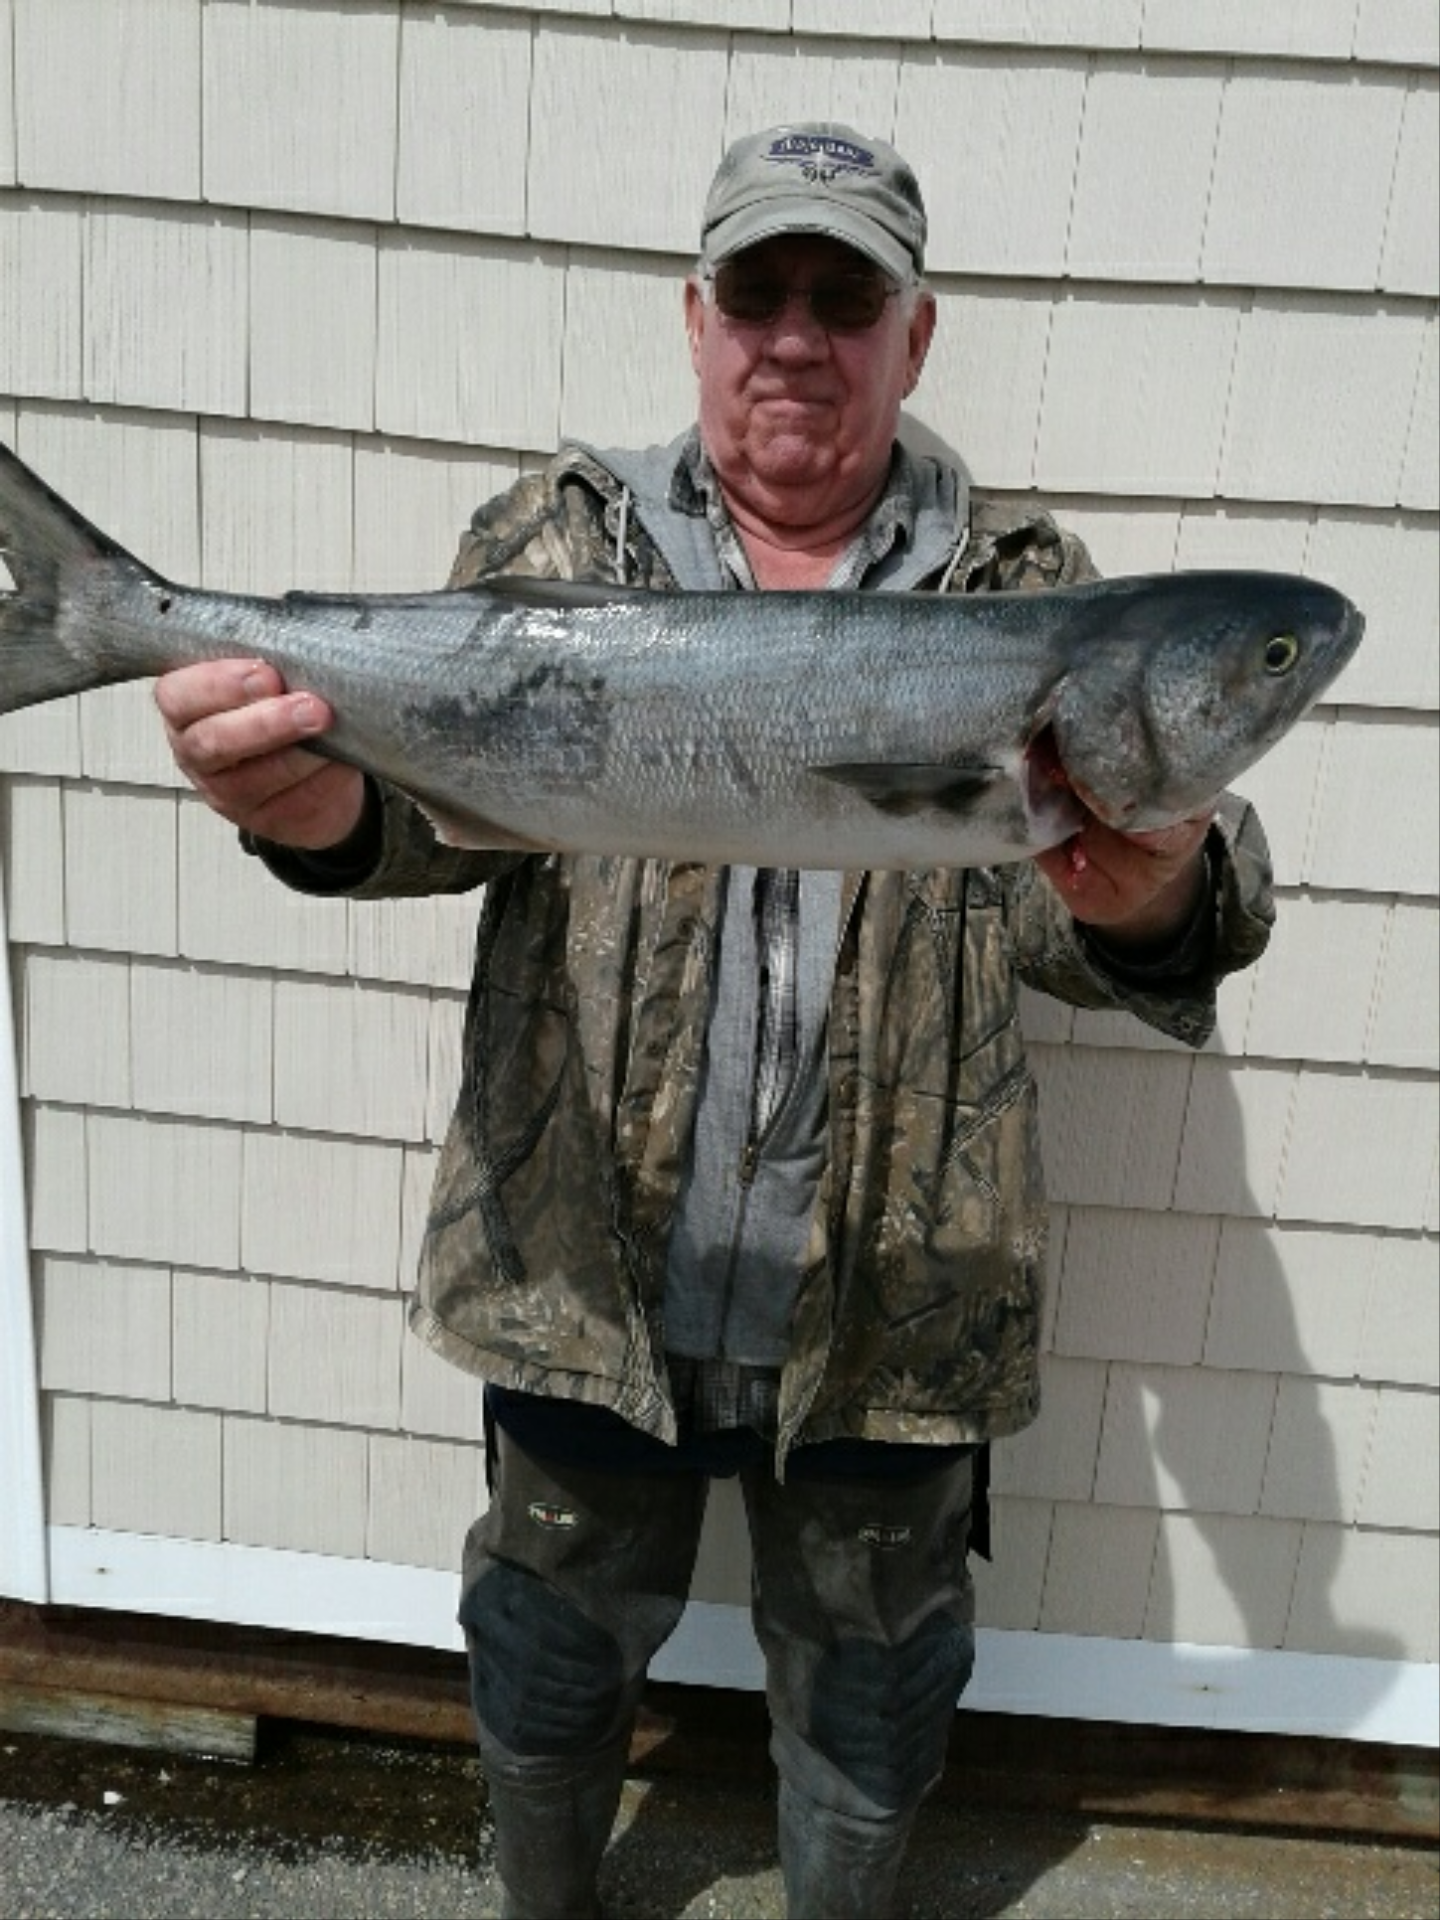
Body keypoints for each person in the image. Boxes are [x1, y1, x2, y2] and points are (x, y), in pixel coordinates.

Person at [156, 124, 1273, 1919]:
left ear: (917, 337)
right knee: (545, 1654)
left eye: (849, 296)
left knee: (876, 1696)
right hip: (584, 1266)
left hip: (895, 1299)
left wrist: (1153, 902)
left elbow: (1154, 930)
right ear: (697, 317)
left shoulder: (1027, 593)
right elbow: (446, 840)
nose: (797, 334)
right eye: (760, 289)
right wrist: (323, 821)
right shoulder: (556, 539)